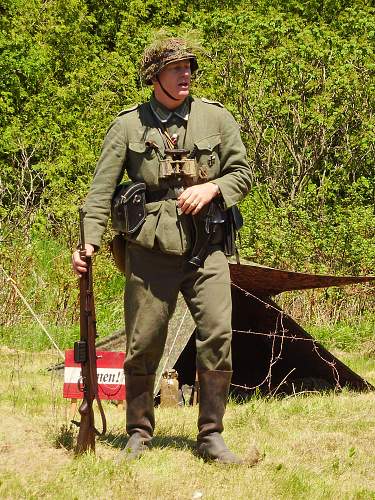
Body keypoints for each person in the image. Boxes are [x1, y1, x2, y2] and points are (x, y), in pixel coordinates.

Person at [72, 37, 255, 464]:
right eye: (176, 68)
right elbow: (101, 191)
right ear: (155, 77)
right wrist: (88, 243)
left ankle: (211, 436)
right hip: (150, 252)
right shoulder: (128, 126)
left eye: (189, 66)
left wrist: (213, 187)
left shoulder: (217, 118)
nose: (186, 73)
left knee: (218, 336)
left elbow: (242, 173)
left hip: (207, 249)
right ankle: (138, 433)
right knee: (144, 342)